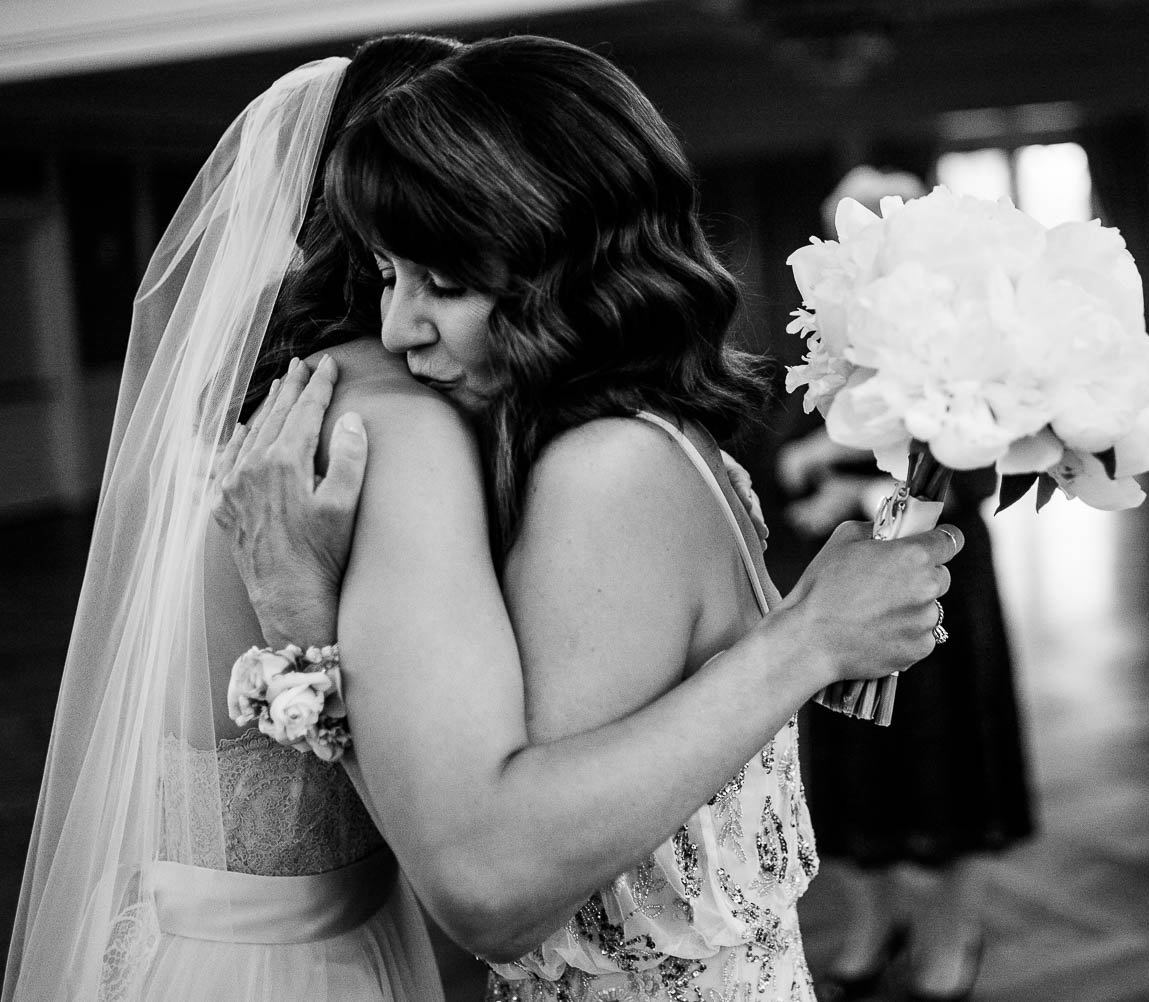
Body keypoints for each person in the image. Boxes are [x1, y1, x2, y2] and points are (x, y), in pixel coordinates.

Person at [3, 38, 960, 1002]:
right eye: (388, 272)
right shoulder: (601, 440)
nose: (397, 328)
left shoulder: (599, 462)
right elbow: (488, 866)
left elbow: (492, 877)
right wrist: (805, 641)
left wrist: (808, 641)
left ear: (565, 255)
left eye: (443, 282)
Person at [779, 167, 1036, 1002]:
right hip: (853, 578)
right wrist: (813, 465)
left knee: (946, 755)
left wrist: (848, 487)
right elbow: (804, 439)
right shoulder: (843, 331)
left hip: (944, 581)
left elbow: (958, 474)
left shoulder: (964, 337)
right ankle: (873, 919)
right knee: (855, 754)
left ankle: (953, 935)